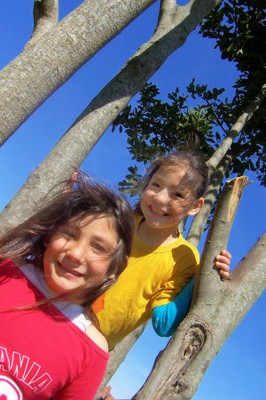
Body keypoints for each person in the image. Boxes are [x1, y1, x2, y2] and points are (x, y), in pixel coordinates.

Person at [0, 172, 134, 400]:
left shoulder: (91, 352)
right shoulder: (6, 269)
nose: (75, 254)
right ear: (48, 236)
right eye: (69, 234)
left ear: (113, 269)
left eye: (98, 248)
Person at [92, 150, 231, 350]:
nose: (160, 198)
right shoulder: (120, 220)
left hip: (91, 346)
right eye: (156, 184)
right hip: (57, 310)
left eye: (178, 194)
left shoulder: (184, 258)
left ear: (195, 206)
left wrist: (206, 273)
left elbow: (164, 324)